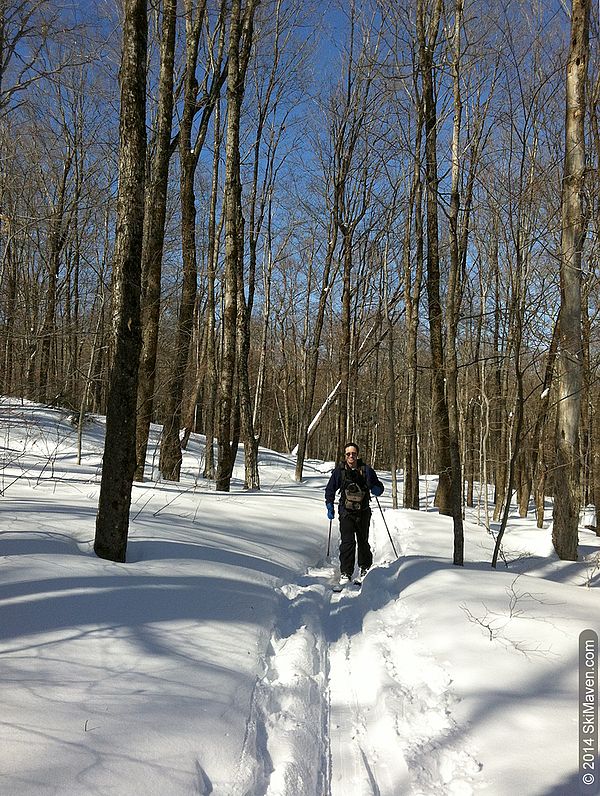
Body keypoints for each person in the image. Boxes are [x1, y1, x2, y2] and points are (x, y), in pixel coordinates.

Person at [325, 441, 384, 586]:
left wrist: (377, 489)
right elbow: (330, 489)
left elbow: (379, 487)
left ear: (358, 455)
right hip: (346, 512)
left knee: (363, 541)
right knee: (347, 543)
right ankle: (346, 572)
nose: (351, 456)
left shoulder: (367, 470)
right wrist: (329, 505)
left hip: (363, 512)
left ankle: (365, 568)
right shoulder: (340, 471)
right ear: (345, 456)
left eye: (353, 453)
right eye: (348, 454)